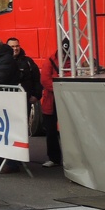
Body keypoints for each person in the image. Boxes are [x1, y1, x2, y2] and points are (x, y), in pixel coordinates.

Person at [40, 39, 68, 168]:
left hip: (59, 97)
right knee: (51, 130)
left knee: (68, 131)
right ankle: (54, 158)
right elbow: (45, 80)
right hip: (52, 100)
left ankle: (65, 158)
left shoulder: (74, 61)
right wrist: (63, 89)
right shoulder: (50, 61)